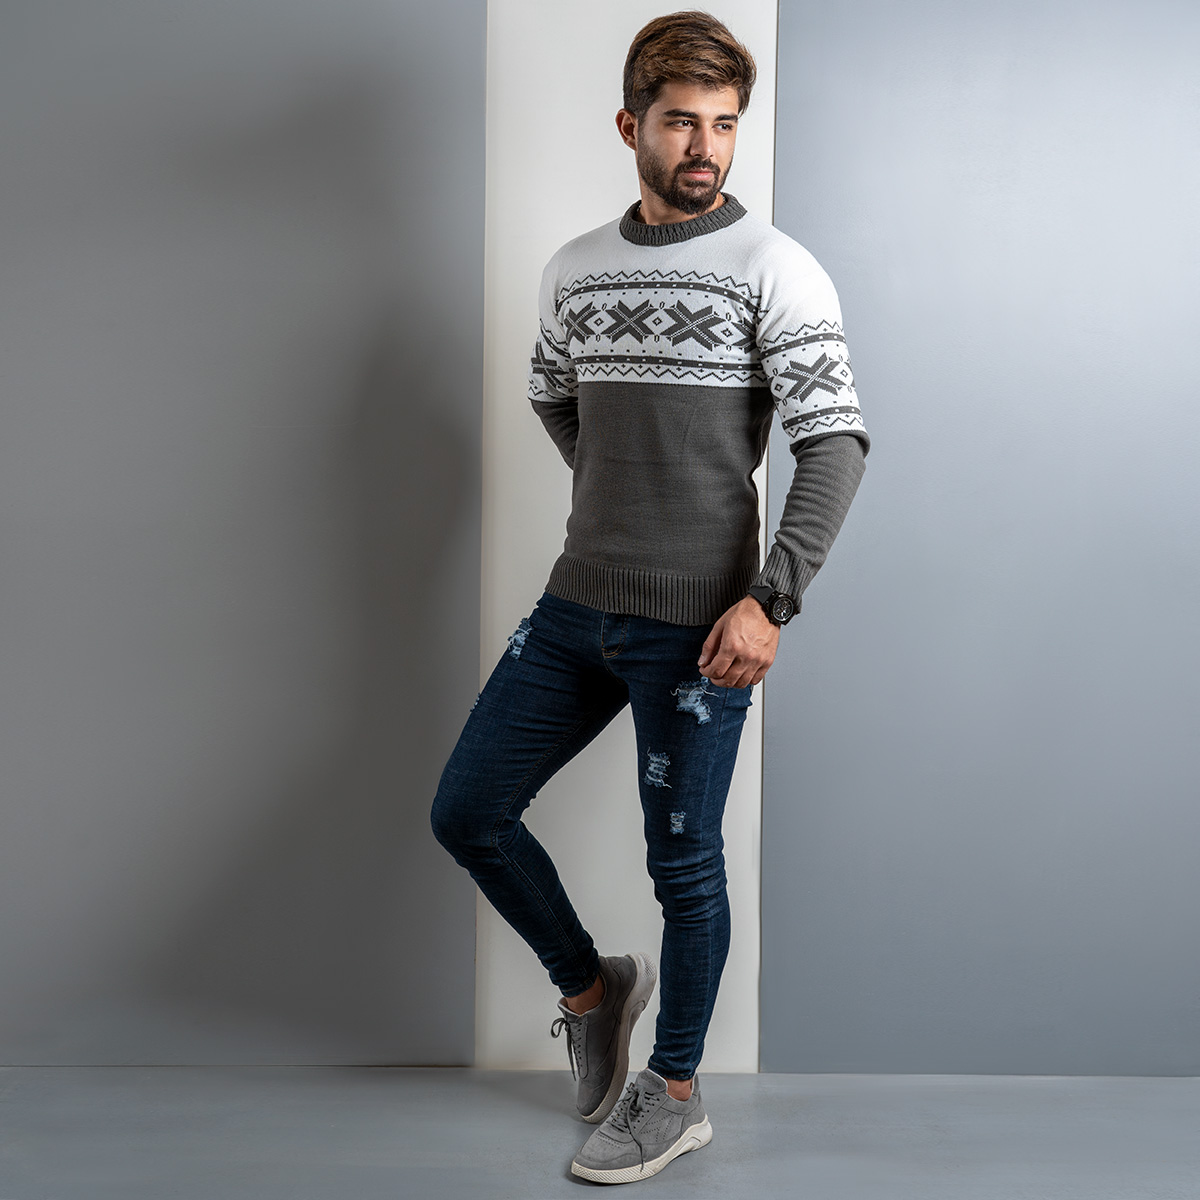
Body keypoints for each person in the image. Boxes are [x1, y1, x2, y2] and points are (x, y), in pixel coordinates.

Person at [431, 10, 869, 1185]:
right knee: (467, 811)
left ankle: (673, 1093)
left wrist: (770, 600)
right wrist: (623, 492)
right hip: (576, 606)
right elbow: (553, 395)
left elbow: (834, 444)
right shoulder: (575, 267)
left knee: (683, 865)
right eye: (681, 121)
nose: (705, 146)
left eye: (724, 123)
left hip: (702, 630)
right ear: (630, 126)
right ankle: (592, 989)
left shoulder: (775, 266)